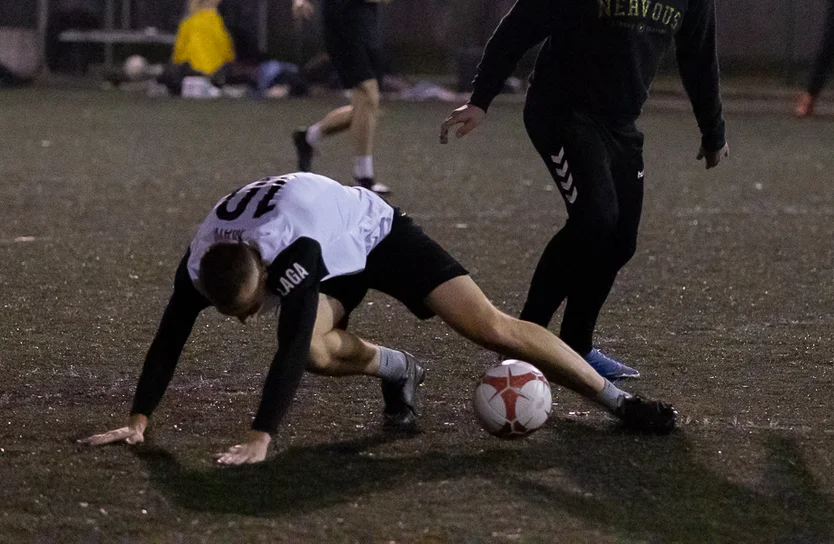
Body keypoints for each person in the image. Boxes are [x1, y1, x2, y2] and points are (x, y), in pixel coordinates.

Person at [79, 173, 677, 466]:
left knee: (489, 327)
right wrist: (139, 419)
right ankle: (399, 369)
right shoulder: (201, 260)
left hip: (376, 232)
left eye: (247, 308)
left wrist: (261, 437)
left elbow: (284, 346)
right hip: (321, 244)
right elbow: (168, 337)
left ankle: (619, 403)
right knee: (318, 351)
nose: (242, 321)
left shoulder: (294, 250)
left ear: (264, 268)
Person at [439, 0, 727, 380]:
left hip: (619, 123)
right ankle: (526, 336)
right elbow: (518, 27)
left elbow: (699, 57)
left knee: (621, 240)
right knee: (594, 220)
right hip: (560, 111)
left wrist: (713, 130)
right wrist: (481, 98)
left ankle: (575, 343)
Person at [290, 0, 398, 192]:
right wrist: (298, 1)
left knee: (366, 107)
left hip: (369, 34)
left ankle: (309, 136)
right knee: (369, 96)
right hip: (340, 32)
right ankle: (363, 176)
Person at [160, 0, 236, 95]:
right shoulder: (192, 13)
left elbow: (224, 39)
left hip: (216, 63)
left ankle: (209, 77)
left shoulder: (222, 7)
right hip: (192, 63)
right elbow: (183, 40)